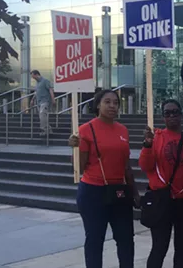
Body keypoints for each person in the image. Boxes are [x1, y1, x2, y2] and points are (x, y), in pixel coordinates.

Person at [69, 89, 140, 268]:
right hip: (93, 192)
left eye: (115, 103)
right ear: (98, 105)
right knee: (95, 239)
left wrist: (134, 192)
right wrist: (75, 149)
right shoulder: (85, 130)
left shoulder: (123, 130)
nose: (112, 106)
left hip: (119, 192)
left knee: (126, 239)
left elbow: (126, 165)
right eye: (107, 102)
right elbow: (79, 166)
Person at [140, 99, 183, 268]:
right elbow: (146, 166)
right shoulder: (156, 137)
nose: (172, 116)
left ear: (181, 115)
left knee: (182, 247)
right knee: (159, 246)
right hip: (162, 200)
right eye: (167, 113)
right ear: (163, 117)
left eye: (175, 112)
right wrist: (147, 145)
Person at [30, 70, 54, 135]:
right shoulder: (37, 83)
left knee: (42, 115)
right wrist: (32, 99)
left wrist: (53, 99)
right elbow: (36, 92)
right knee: (42, 117)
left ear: (36, 74)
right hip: (39, 102)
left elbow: (50, 90)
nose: (33, 78)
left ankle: (44, 130)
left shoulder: (45, 81)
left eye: (33, 76)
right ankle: (49, 130)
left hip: (45, 101)